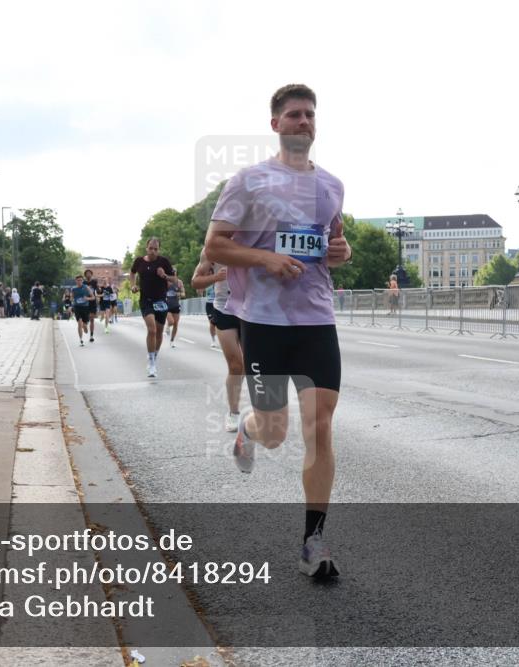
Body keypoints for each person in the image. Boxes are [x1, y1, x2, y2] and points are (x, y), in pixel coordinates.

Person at [204, 83, 350, 579]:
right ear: (275, 125)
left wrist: (342, 251)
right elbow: (216, 246)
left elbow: (335, 245)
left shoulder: (331, 186)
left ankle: (314, 542)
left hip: (317, 319)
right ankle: (247, 431)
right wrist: (265, 258)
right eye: (294, 115)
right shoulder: (249, 182)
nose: (304, 121)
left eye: (310, 114)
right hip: (264, 321)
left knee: (320, 426)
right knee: (274, 432)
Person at [192, 248, 241, 432]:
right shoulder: (211, 249)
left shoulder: (255, 239)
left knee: (253, 365)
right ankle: (234, 413)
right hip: (224, 308)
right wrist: (215, 277)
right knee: (236, 365)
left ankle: (260, 409)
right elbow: (196, 282)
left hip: (251, 309)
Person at [129, 237, 174, 378]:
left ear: (158, 249)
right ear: (146, 248)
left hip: (161, 300)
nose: (153, 251)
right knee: (152, 330)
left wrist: (164, 275)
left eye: (156, 249)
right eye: (150, 248)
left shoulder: (164, 262)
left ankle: (154, 357)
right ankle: (151, 362)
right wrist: (133, 286)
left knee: (159, 332)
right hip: (146, 300)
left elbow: (174, 280)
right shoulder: (139, 261)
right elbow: (132, 273)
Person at [70, 275, 94, 346]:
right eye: (78, 280)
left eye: (81, 280)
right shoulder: (73, 289)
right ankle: (81, 340)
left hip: (85, 308)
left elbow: (93, 297)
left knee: (85, 326)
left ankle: (85, 326)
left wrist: (87, 298)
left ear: (82, 281)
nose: (79, 281)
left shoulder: (86, 287)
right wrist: (72, 301)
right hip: (77, 307)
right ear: (76, 281)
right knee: (79, 323)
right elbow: (71, 298)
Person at [164, 272, 185, 348]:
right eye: (171, 273)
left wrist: (179, 294)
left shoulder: (179, 282)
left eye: (174, 274)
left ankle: (172, 341)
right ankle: (167, 326)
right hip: (167, 305)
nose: (173, 275)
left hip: (176, 305)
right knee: (171, 322)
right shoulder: (165, 281)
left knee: (176, 324)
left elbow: (183, 294)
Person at [84, 269, 98, 343]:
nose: (88, 274)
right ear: (85, 275)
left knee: (92, 319)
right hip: (85, 302)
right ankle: (85, 324)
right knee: (86, 318)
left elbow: (97, 289)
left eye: (90, 273)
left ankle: (91, 336)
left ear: (91, 274)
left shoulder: (94, 282)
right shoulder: (83, 282)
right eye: (87, 273)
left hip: (92, 301)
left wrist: (99, 289)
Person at [202, 280, 218, 348]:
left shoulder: (218, 281)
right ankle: (213, 340)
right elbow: (200, 290)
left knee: (219, 323)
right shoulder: (207, 282)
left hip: (218, 303)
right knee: (212, 323)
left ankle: (219, 334)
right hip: (209, 304)